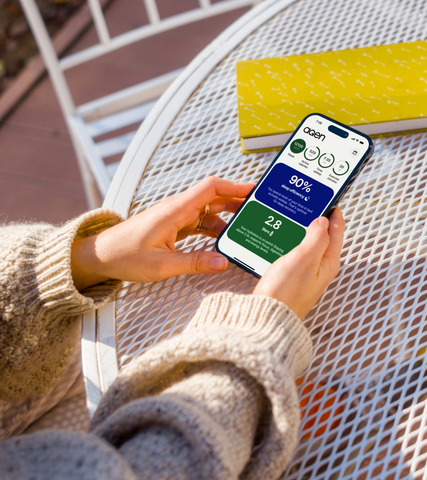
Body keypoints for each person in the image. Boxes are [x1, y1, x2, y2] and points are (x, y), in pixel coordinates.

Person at [0, 176, 345, 480]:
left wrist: (85, 257)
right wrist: (261, 330)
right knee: (332, 415)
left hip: (42, 355)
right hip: (93, 444)